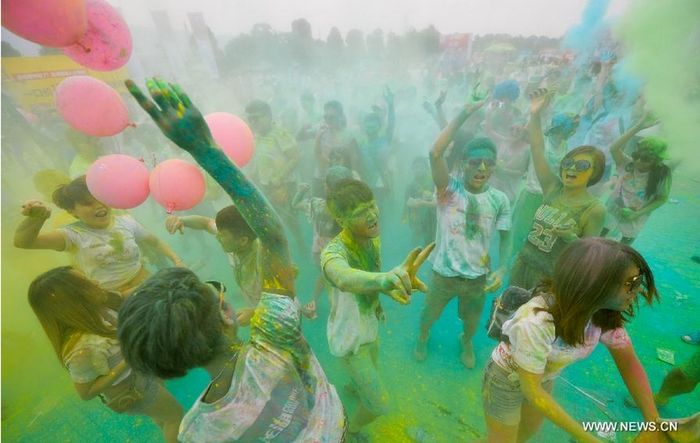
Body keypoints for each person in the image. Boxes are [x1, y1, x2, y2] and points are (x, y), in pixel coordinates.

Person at [120, 77, 345, 442]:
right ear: (227, 313)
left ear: (169, 366)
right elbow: (272, 233)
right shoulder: (278, 330)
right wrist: (205, 149)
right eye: (214, 292)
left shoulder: (194, 432)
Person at [482, 238, 665, 443]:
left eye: (639, 280)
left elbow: (629, 364)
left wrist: (653, 422)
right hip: (506, 379)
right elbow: (532, 391)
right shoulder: (536, 322)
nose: (638, 290)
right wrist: (588, 439)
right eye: (631, 284)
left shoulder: (601, 315)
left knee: (525, 433)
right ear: (595, 285)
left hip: (543, 376)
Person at [321, 178, 434, 438]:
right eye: (361, 213)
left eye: (372, 206)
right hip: (349, 340)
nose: (372, 215)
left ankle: (354, 385)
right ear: (341, 221)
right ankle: (352, 430)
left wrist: (380, 298)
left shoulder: (372, 238)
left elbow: (370, 276)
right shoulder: (331, 253)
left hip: (369, 327)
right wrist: (384, 281)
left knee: (371, 366)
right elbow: (343, 277)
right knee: (379, 404)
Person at [28, 266, 183, 442]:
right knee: (174, 417)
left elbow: (124, 298)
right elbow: (86, 393)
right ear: (70, 300)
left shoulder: (98, 311)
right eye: (86, 283)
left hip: (141, 377)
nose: (95, 282)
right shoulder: (80, 349)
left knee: (163, 416)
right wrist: (127, 360)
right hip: (132, 389)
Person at [415, 97, 512, 369]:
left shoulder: (500, 200)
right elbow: (435, 153)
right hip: (443, 273)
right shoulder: (449, 190)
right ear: (464, 164)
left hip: (476, 278)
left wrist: (502, 268)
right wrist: (461, 115)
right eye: (475, 162)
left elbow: (506, 237)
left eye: (488, 163)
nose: (482, 168)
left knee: (471, 321)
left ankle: (466, 341)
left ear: (494, 166)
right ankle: (423, 336)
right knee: (428, 315)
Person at [14, 175, 183, 294]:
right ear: (72, 211)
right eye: (88, 204)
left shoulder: (126, 221)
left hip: (148, 285)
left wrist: (177, 261)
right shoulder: (72, 234)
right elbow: (23, 243)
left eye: (100, 199)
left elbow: (154, 241)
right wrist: (37, 219)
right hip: (116, 301)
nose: (99, 206)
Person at [509, 90, 606, 290]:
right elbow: (537, 148)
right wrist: (535, 113)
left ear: (594, 173)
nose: (571, 168)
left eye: (581, 167)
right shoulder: (553, 187)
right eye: (569, 163)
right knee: (506, 319)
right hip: (522, 268)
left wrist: (571, 239)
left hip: (548, 281)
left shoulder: (593, 209)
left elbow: (587, 257)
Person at [510, 110, 580, 259]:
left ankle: (524, 259)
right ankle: (509, 260)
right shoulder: (542, 142)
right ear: (561, 128)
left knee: (536, 231)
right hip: (532, 192)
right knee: (519, 231)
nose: (572, 132)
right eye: (571, 129)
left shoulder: (564, 145)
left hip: (549, 196)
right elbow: (524, 134)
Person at [291, 165, 354, 319]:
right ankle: (336, 308)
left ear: (327, 187)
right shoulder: (349, 209)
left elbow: (295, 204)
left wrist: (301, 191)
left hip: (319, 251)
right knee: (336, 280)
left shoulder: (317, 205)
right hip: (340, 253)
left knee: (326, 277)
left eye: (325, 183)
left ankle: (317, 302)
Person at [244, 99, 304, 251]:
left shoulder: (280, 134)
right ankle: (279, 248)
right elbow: (259, 159)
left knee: (289, 219)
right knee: (269, 218)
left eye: (257, 118)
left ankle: (301, 244)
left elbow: (295, 157)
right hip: (266, 184)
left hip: (284, 184)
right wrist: (252, 175)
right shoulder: (256, 136)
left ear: (269, 116)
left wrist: (280, 177)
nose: (253, 122)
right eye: (250, 118)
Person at [601, 115, 671, 244]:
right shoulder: (627, 164)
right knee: (595, 245)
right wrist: (638, 127)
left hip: (632, 222)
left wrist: (637, 214)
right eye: (636, 155)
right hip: (610, 215)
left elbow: (661, 198)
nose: (638, 161)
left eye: (645, 159)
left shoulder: (661, 174)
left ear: (657, 160)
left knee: (619, 255)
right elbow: (614, 148)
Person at [358, 87, 395, 199]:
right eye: (368, 126)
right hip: (366, 184)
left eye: (373, 126)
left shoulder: (384, 140)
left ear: (379, 127)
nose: (370, 129)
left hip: (381, 184)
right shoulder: (361, 145)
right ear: (363, 127)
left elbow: (391, 125)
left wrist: (391, 105)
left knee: (380, 213)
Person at [403, 156, 436, 245]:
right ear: (412, 170)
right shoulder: (410, 187)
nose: (418, 170)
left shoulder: (433, 183)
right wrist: (410, 219)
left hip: (431, 218)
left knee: (431, 240)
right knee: (416, 238)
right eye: (415, 168)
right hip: (417, 218)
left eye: (421, 167)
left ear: (426, 168)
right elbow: (407, 203)